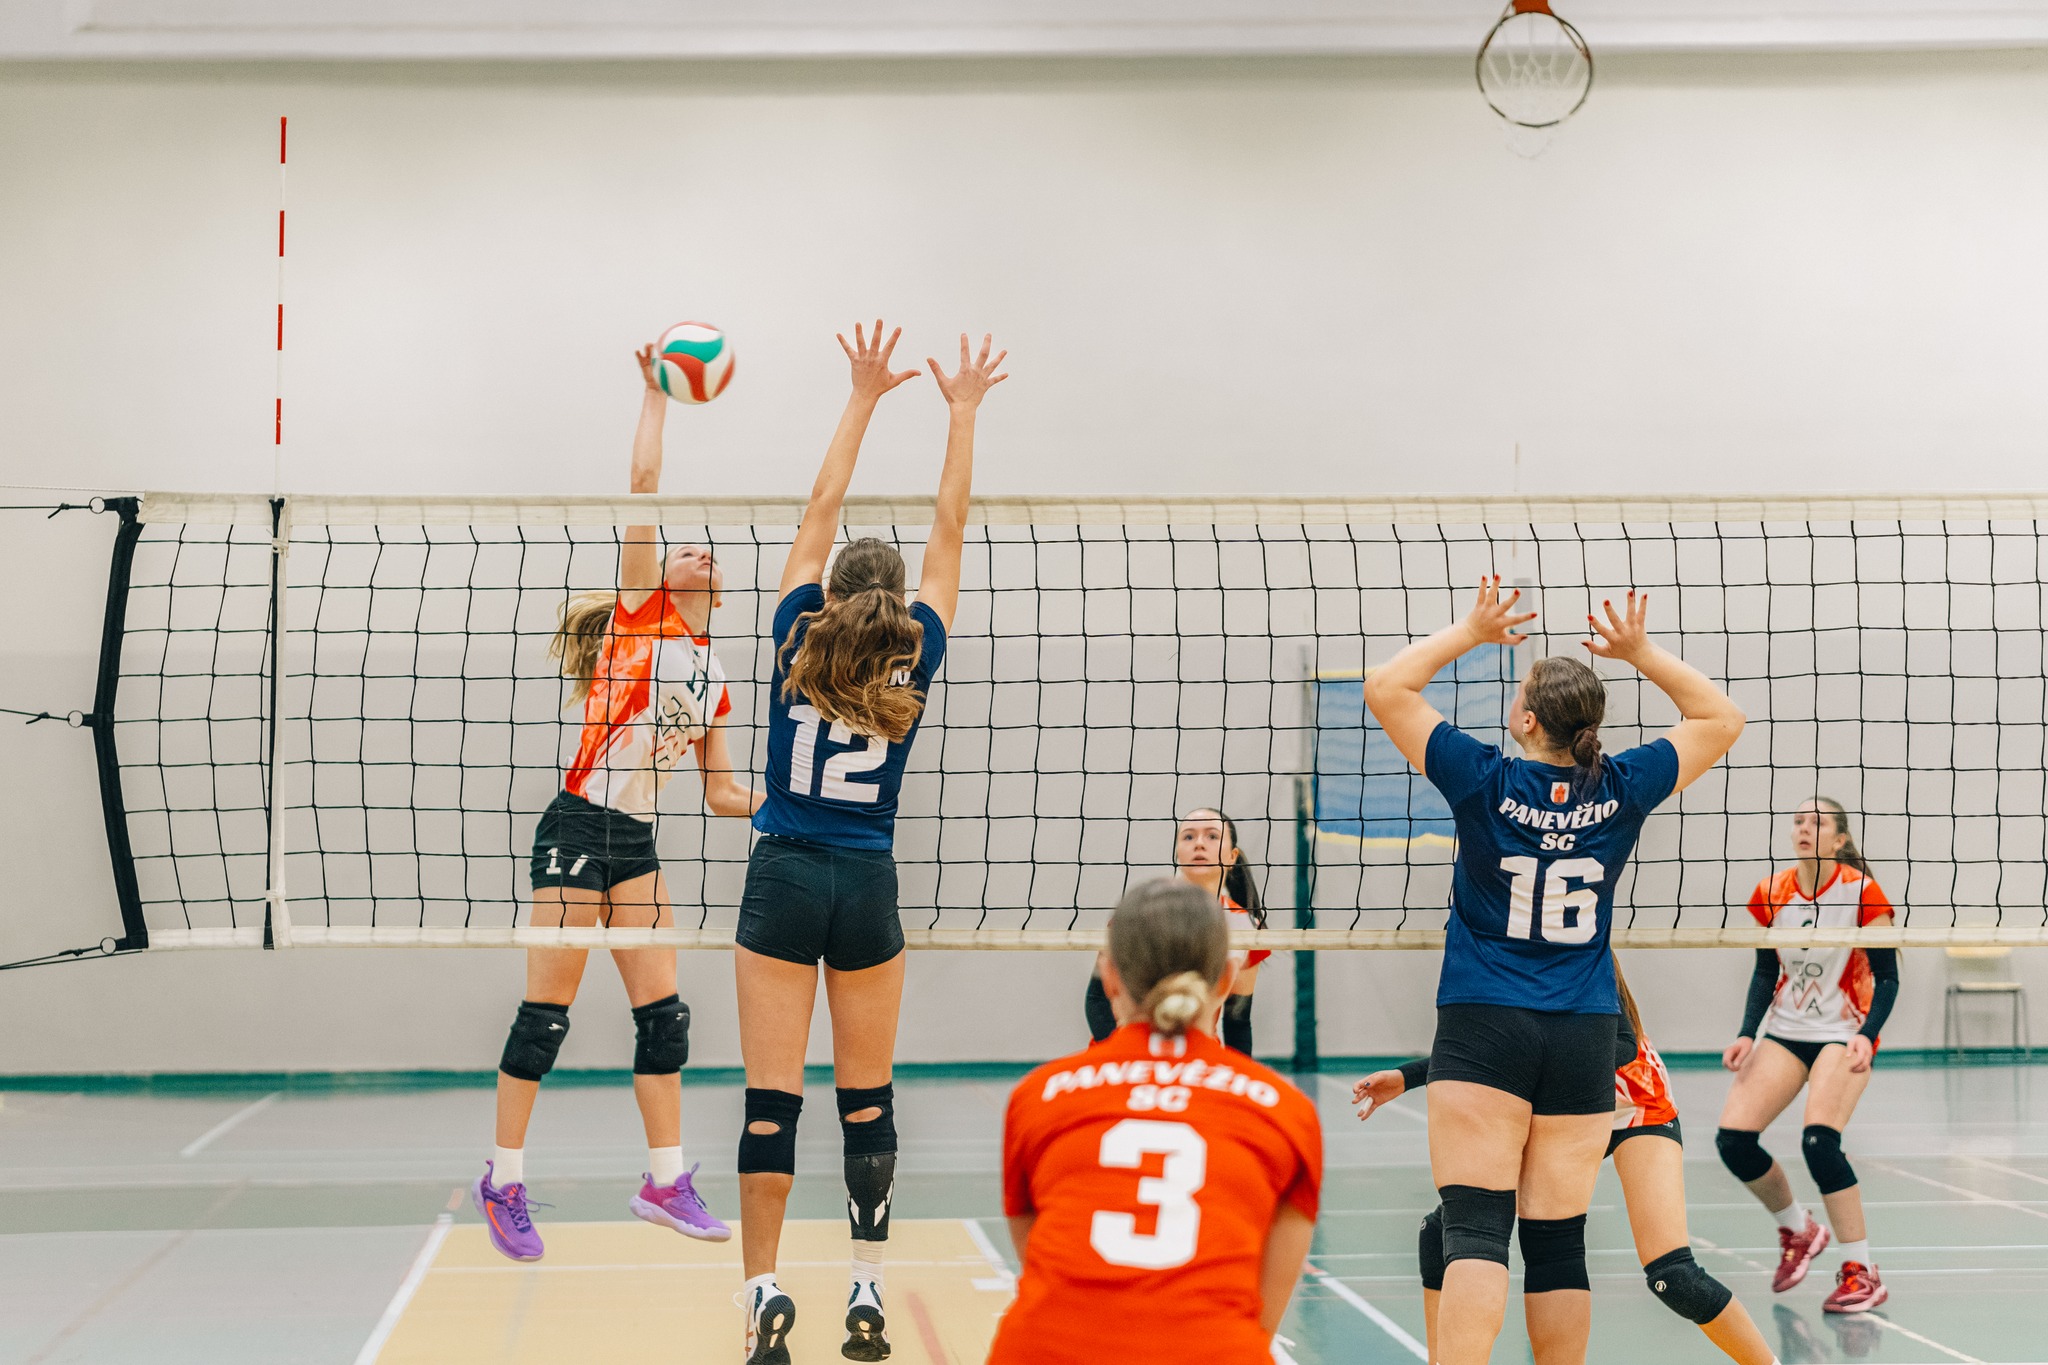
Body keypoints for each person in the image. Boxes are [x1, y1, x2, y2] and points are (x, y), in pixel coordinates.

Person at [1361, 580, 1744, 1365]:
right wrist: (1639, 652)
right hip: (1584, 1029)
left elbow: (1387, 686)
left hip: (1484, 1018)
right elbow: (1720, 718)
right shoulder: (1622, 786)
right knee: (1557, 1241)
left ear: (1528, 719)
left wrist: (1472, 630)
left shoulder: (1485, 779)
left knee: (1475, 1228)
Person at [733, 324, 1005, 1365]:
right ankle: (866, 1290)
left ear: (832, 592)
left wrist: (860, 396)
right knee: (867, 1103)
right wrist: (961, 410)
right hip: (867, 884)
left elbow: (817, 509)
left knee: (772, 1103)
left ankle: (763, 1295)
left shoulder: (795, 636)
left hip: (783, 875)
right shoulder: (917, 653)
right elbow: (950, 527)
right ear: (894, 599)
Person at [474, 345, 761, 1263]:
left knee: (666, 1017)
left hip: (636, 839)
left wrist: (788, 802)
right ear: (661, 574)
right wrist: (654, 394)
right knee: (545, 1018)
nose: (699, 549)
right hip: (575, 825)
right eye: (684, 547)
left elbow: (722, 792)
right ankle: (503, 1179)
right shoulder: (641, 616)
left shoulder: (717, 676)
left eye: (708, 551)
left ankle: (665, 1180)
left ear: (721, 588)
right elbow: (642, 484)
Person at [1355, 961, 1780, 1365]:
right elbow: (1491, 1050)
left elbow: (1623, 1043)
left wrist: (1547, 1062)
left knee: (1674, 1274)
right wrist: (1409, 1075)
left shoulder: (1581, 945)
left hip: (1636, 1108)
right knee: (1447, 1228)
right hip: (1557, 1105)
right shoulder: (1503, 953)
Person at [990, 878, 1322, 1365]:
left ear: (1109, 977)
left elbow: (1035, 1255)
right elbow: (1263, 1313)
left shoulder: (1038, 1095)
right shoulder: (1285, 1110)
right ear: (1227, 980)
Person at [1716, 797, 1899, 1314]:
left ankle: (1861, 1272)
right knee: (1734, 1141)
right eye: (1798, 820)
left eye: (1817, 822)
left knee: (1819, 1142)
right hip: (1786, 1030)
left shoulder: (1861, 892)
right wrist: (1747, 1033)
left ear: (1839, 840)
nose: (1804, 828)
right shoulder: (1771, 892)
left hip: (1844, 1031)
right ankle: (1799, 1229)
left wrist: (1868, 1033)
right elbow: (1764, 971)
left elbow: (1887, 977)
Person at [1083, 807, 1269, 1055]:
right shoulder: (1141, 909)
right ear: (1178, 852)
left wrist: (1236, 1073)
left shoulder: (1244, 926)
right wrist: (1126, 1056)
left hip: (1197, 1057)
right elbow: (1097, 1000)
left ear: (1232, 856)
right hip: (1125, 1053)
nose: (1199, 844)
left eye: (1212, 836)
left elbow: (1238, 1021)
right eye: (1188, 836)